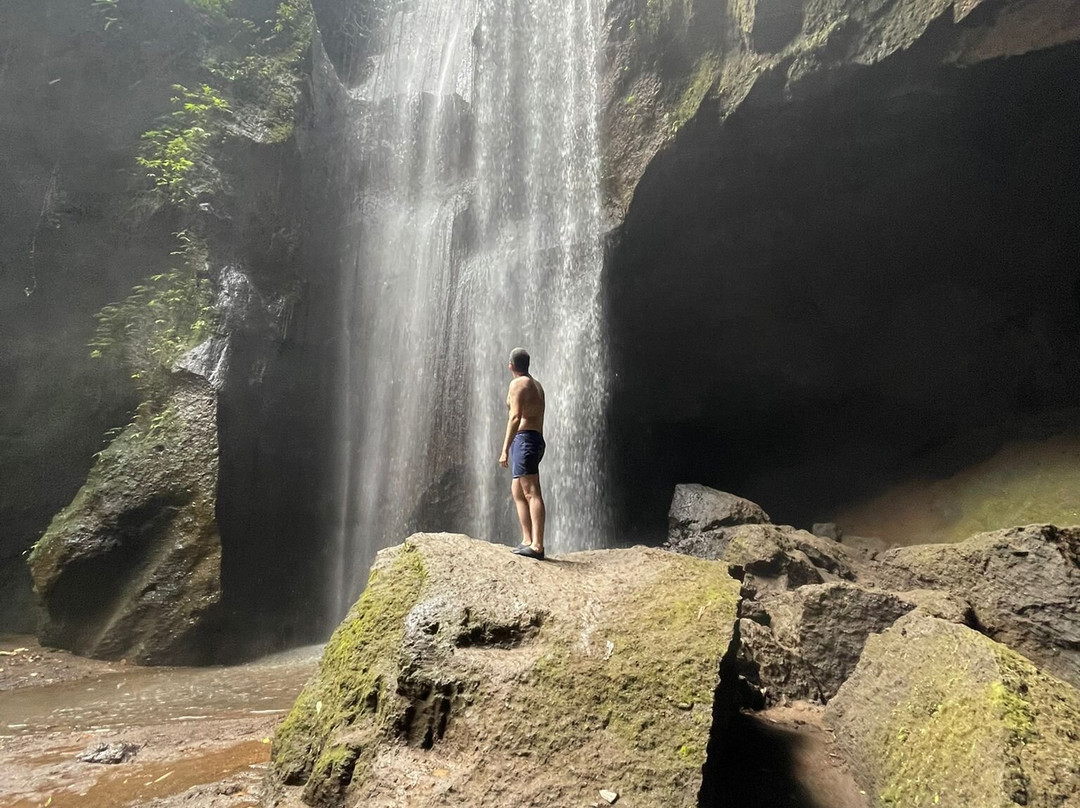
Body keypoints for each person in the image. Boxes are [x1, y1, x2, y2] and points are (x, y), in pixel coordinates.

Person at [498, 348, 547, 559]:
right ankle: (527, 539)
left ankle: (537, 545)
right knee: (517, 490)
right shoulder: (537, 385)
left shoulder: (517, 384)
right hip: (535, 439)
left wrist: (504, 449)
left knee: (531, 492)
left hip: (525, 439)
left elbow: (515, 417)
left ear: (511, 365)